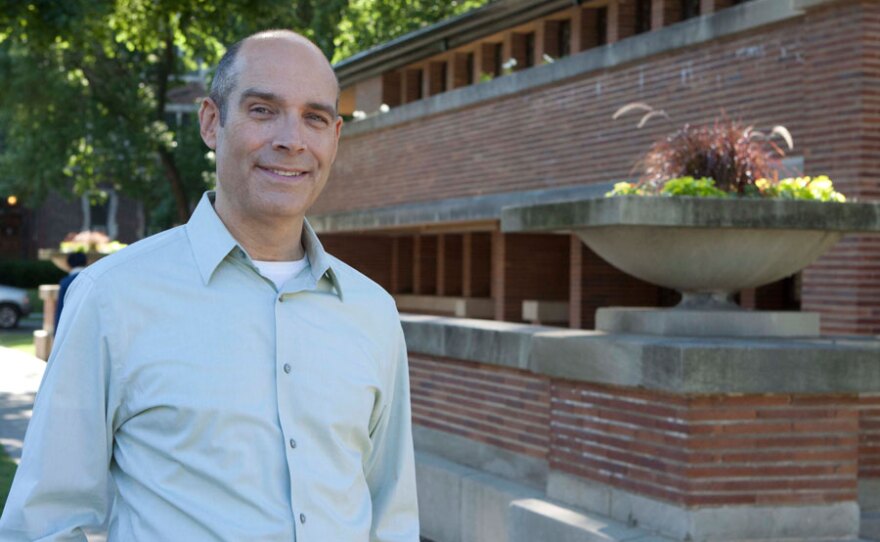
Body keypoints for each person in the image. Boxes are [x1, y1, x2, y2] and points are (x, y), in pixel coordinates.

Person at [0, 30, 419, 541]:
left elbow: (390, 515)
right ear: (211, 122)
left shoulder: (372, 312)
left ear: (335, 137)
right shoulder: (112, 297)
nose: (292, 139)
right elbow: (43, 522)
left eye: (314, 117)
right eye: (263, 110)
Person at [53, 251, 87, 333]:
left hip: (70, 325)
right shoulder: (92, 281)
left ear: (68, 264)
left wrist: (56, 332)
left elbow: (61, 308)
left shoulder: (66, 282)